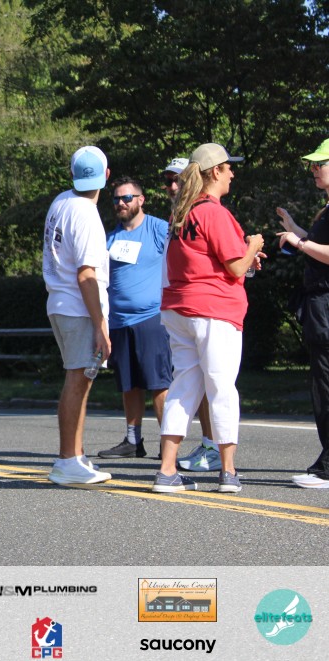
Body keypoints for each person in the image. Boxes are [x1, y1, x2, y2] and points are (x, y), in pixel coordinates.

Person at [151, 143, 264, 493]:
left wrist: (244, 258)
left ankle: (167, 470)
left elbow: (207, 260)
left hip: (179, 308)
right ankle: (228, 471)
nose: (232, 173)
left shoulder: (182, 212)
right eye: (228, 167)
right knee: (221, 388)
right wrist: (254, 246)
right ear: (215, 172)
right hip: (214, 311)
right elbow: (236, 268)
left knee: (183, 387)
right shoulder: (214, 212)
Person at [42, 146, 112, 484]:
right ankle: (67, 459)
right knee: (78, 379)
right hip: (78, 307)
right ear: (106, 176)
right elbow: (86, 275)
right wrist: (100, 325)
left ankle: (76, 456)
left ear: (72, 175)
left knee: (81, 379)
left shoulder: (61, 202)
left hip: (60, 301)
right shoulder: (86, 214)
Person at [96, 177, 172, 459]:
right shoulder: (110, 238)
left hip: (151, 319)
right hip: (119, 322)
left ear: (141, 200)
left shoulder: (158, 229)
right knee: (129, 384)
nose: (121, 203)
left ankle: (168, 443)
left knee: (159, 383)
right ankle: (133, 441)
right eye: (116, 199)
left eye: (127, 198)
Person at [275, 138, 329, 489]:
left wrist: (299, 242)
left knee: (326, 384)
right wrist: (295, 228)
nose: (313, 169)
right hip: (319, 304)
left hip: (326, 303)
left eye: (319, 163)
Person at [163, 158, 221, 472]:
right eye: (169, 181)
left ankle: (216, 450)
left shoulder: (206, 212)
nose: (173, 186)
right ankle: (172, 463)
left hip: (206, 309)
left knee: (212, 383)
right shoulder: (176, 217)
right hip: (176, 309)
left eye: (179, 179)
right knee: (187, 383)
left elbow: (226, 260)